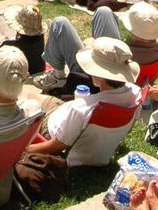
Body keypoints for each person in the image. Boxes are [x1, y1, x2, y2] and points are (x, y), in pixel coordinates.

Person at [26, 37, 143, 167]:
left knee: (30, 101)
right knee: (34, 96)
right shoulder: (136, 94)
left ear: (98, 74)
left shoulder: (83, 110)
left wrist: (22, 152)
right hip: (66, 115)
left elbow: (55, 147)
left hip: (53, 126)